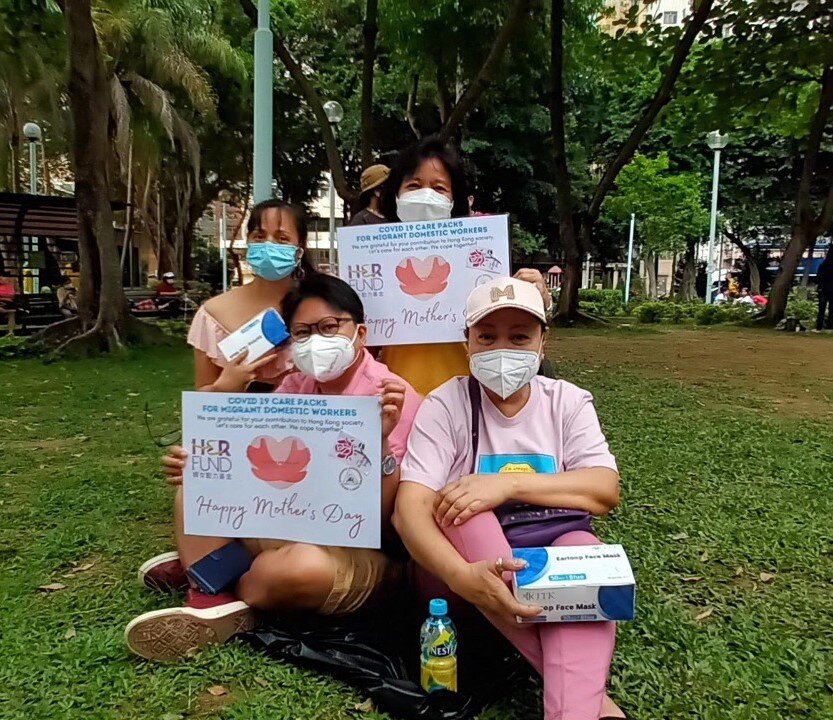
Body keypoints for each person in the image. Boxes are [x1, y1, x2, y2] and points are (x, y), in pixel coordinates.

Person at [125, 274, 422, 661]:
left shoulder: (394, 398)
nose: (317, 340)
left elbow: (385, 522)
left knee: (297, 570)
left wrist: (379, 440)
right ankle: (211, 592)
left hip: (361, 547)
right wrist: (204, 459)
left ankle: (212, 575)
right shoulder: (295, 384)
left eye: (329, 327)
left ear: (360, 333)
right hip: (289, 521)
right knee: (198, 479)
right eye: (302, 332)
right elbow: (255, 465)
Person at [393, 276, 625, 720]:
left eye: (520, 336)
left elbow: (604, 489)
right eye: (487, 337)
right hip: (461, 571)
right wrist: (460, 575)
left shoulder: (567, 402)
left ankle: (576, 710)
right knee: (462, 510)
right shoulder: (447, 404)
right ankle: (594, 699)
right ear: (467, 343)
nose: (503, 349)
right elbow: (410, 510)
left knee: (583, 552)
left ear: (543, 342)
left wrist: (508, 485)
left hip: (549, 551)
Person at [377, 135, 552, 396]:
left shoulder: (481, 256)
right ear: (395, 195)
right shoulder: (372, 257)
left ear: (454, 200)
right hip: (398, 403)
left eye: (439, 188)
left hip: (469, 403)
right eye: (414, 185)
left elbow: (516, 334)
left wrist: (536, 298)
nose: (426, 195)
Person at [187, 199, 317, 393]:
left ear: (299, 249)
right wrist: (224, 387)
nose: (268, 245)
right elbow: (202, 395)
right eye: (259, 236)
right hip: (242, 422)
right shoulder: (212, 314)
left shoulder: (324, 304)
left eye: (282, 238)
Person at [816, 246, 833, 331]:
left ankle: (819, 325)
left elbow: (818, 277)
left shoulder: (823, 265)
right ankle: (830, 325)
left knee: (821, 308)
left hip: (823, 289)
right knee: (832, 308)